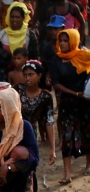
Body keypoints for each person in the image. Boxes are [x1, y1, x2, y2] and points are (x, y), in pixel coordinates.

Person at [50, 28, 90, 183]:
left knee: (87, 132)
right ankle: (67, 174)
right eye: (61, 40)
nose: (63, 43)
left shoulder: (84, 56)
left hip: (86, 102)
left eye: (66, 40)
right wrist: (75, 94)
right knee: (67, 136)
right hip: (67, 102)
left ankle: (88, 166)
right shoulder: (55, 60)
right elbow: (56, 84)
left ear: (74, 41)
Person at [16, 60, 57, 161]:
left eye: (31, 74)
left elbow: (49, 121)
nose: (27, 78)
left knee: (30, 161)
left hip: (30, 133)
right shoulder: (18, 88)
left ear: (39, 76)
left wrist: (53, 148)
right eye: (25, 75)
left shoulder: (45, 96)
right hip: (14, 131)